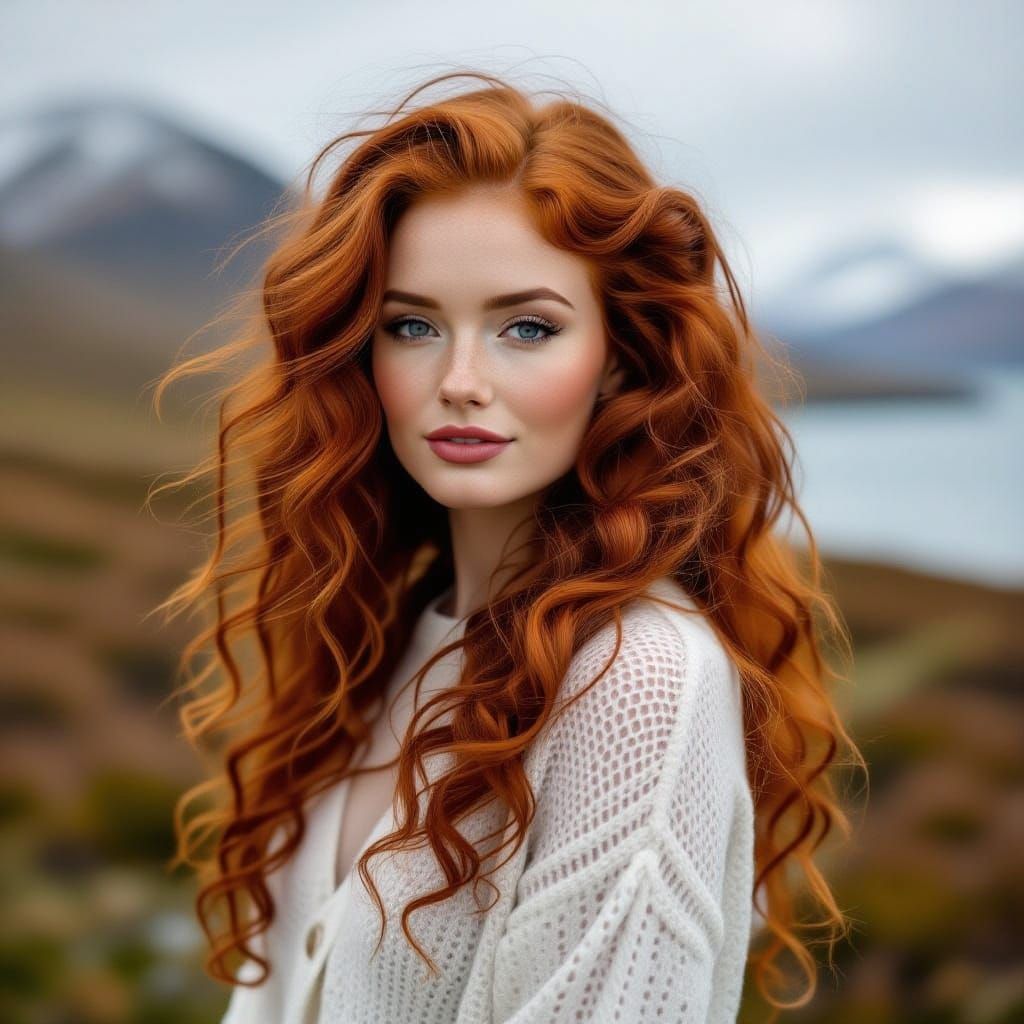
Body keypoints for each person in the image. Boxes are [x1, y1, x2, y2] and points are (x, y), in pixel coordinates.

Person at [151, 70, 864, 1024]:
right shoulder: (396, 634)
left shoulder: (635, 680)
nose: (460, 380)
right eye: (412, 326)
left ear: (621, 352)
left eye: (527, 327)